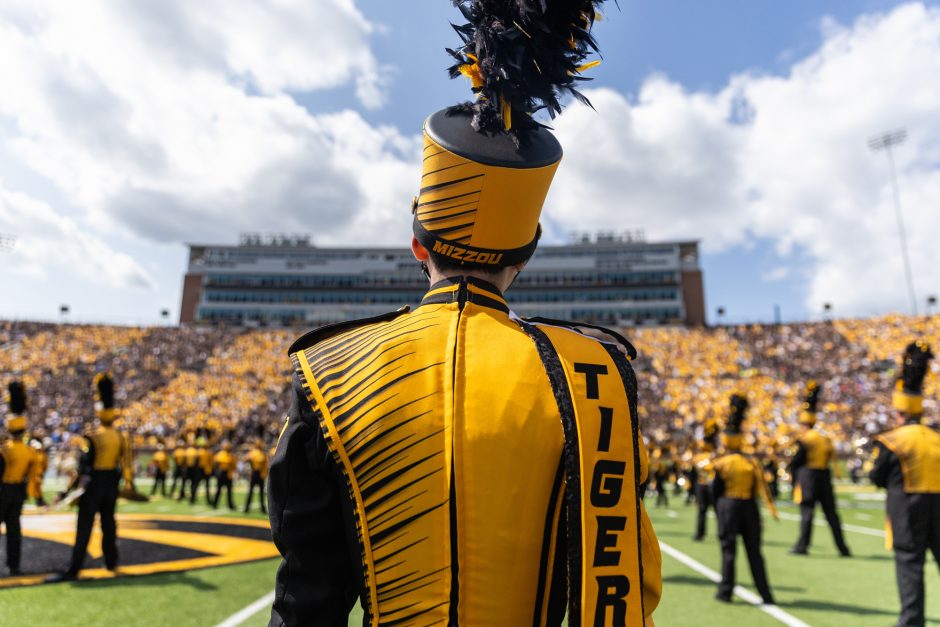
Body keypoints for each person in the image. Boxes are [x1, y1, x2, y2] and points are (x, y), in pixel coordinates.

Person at [268, 3, 661, 624]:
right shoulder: (598, 370)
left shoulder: (328, 367)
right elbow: (623, 583)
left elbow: (304, 598)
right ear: (524, 257)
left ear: (417, 245)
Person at [870, 341, 939, 627]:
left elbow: (877, 478)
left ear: (899, 412)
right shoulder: (936, 436)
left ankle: (912, 622)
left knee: (910, 566)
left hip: (907, 510)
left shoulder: (892, 440)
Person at [47, 373, 134, 582]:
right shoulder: (121, 436)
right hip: (111, 484)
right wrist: (129, 484)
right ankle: (111, 561)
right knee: (109, 524)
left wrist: (67, 491)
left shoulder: (92, 436)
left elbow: (82, 468)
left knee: (85, 526)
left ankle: (74, 568)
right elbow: (127, 464)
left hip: (93, 484)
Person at [712, 394, 778, 605]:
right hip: (749, 508)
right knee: (755, 553)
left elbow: (716, 491)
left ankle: (725, 591)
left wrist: (719, 509)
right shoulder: (751, 463)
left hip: (728, 507)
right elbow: (761, 490)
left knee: (729, 552)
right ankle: (766, 594)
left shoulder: (721, 463)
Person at [788, 381, 851, 557]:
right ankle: (842, 548)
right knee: (832, 515)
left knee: (807, 513)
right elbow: (832, 459)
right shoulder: (825, 438)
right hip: (824, 475)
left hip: (808, 476)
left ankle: (802, 546)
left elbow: (797, 460)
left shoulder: (804, 439)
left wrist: (791, 472)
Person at [1, 381, 36, 576]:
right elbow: (33, 476)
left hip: (3, 490)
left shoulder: (4, 450)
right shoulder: (31, 451)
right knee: (14, 531)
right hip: (19, 493)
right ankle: (14, 566)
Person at [692, 419, 719, 541]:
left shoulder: (716, 455)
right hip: (704, 484)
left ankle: (703, 533)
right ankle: (700, 533)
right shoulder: (705, 456)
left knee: (715, 511)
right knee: (703, 510)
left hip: (710, 485)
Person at [243, 438, 267, 514]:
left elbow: (245, 459)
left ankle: (246, 508)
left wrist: (251, 464)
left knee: (251, 492)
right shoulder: (262, 454)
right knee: (261, 493)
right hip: (259, 474)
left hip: (255, 473)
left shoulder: (253, 453)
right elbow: (265, 465)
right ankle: (262, 509)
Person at [212, 440, 237, 511]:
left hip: (226, 473)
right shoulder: (224, 455)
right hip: (223, 473)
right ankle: (217, 504)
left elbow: (215, 464)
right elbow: (215, 464)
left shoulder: (227, 455)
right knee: (223, 490)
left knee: (226, 490)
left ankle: (226, 504)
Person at [28, 436, 48, 507]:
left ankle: (39, 500)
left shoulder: (40, 455)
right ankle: (39, 500)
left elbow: (44, 465)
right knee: (34, 488)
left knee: (37, 487)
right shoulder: (34, 454)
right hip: (33, 474)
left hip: (38, 473)